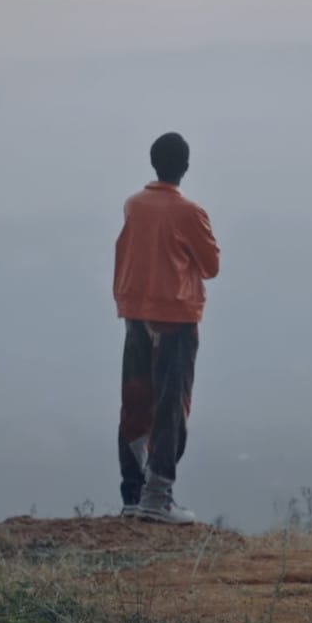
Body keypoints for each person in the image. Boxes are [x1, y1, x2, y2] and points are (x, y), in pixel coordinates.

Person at [113, 132, 221, 524]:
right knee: (170, 405)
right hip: (176, 315)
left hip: (135, 310)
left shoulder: (133, 205)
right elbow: (210, 266)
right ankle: (158, 497)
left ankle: (132, 493)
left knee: (136, 401)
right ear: (185, 167)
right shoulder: (190, 212)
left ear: (153, 162)